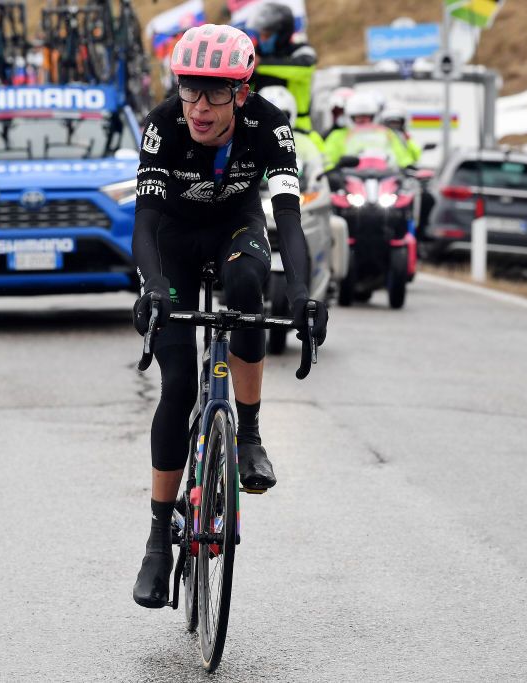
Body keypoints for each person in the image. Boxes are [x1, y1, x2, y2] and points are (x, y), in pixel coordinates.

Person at [130, 24, 328, 608]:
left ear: (242, 94)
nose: (200, 107)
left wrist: (302, 294)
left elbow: (287, 217)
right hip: (172, 241)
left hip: (237, 229)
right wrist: (153, 284)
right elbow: (142, 222)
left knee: (248, 283)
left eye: (216, 94)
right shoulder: (164, 124)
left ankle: (249, 434)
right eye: (190, 90)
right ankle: (158, 541)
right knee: (177, 386)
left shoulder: (271, 125)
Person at [246, 3, 318, 139]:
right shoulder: (255, 55)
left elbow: (305, 67)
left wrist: (261, 64)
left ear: (281, 35)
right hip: (261, 130)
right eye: (260, 35)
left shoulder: (301, 51)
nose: (262, 40)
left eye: (266, 35)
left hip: (299, 131)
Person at [323, 91, 413, 171]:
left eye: (367, 116)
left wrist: (408, 167)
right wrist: (332, 172)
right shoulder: (337, 136)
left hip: (383, 179)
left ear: (374, 116)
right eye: (358, 117)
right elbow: (328, 160)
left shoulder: (386, 134)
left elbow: (402, 158)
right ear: (350, 117)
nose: (363, 121)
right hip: (349, 181)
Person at [258, 85, 324, 188]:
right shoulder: (248, 141)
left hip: (299, 198)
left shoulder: (304, 142)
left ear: (291, 114)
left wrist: (315, 183)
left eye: (281, 116)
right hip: (258, 199)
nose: (274, 121)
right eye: (267, 116)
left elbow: (317, 172)